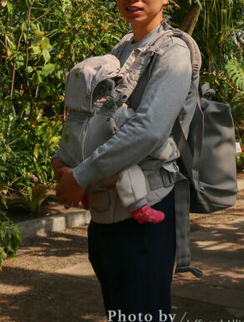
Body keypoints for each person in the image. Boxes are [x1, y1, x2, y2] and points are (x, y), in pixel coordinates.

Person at [54, 0, 200, 322]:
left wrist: (81, 175)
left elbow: (149, 130)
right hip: (108, 210)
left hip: (146, 210)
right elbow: (96, 116)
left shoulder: (174, 53)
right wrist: (63, 158)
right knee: (123, 316)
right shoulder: (124, 48)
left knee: (142, 321)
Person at [56, 52, 173, 224]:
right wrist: (165, 149)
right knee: (128, 170)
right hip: (107, 168)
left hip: (84, 169)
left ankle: (86, 197)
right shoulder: (112, 111)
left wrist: (65, 169)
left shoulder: (73, 119)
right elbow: (141, 131)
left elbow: (65, 149)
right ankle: (138, 206)